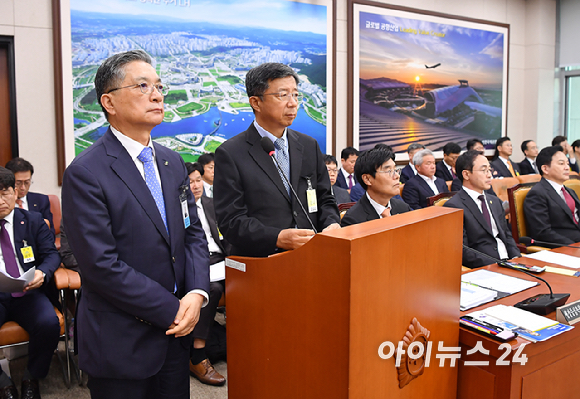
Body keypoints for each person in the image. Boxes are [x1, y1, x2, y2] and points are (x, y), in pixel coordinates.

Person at [61, 50, 210, 399]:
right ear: (109, 102)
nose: (157, 95)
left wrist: (197, 293)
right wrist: (173, 309)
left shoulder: (172, 162)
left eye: (159, 86)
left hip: (175, 336)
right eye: (143, 86)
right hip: (121, 340)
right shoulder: (86, 172)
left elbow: (192, 234)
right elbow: (100, 266)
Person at [213, 62, 340, 258]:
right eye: (283, 95)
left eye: (296, 95)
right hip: (262, 264)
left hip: (312, 257)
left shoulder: (308, 145)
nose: (293, 103)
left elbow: (325, 197)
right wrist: (277, 237)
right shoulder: (231, 153)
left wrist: (332, 224)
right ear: (256, 102)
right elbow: (231, 221)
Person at [0, 167, 61, 399]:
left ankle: (31, 377)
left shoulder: (33, 221)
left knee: (48, 323)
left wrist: (42, 273)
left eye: (4, 193)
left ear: (15, 192)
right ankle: (3, 382)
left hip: (28, 292)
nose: (0, 201)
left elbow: (52, 255)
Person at [185, 162, 227, 387]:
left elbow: (228, 235)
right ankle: (197, 356)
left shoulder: (213, 204)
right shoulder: (178, 209)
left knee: (252, 280)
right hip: (198, 262)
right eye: (190, 182)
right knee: (213, 289)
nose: (196, 185)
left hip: (222, 258)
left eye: (198, 179)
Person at [444, 151, 520, 268]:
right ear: (466, 174)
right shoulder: (454, 206)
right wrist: (495, 264)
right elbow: (461, 249)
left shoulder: (494, 201)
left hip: (510, 263)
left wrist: (516, 258)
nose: (489, 175)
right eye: (484, 170)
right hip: (484, 267)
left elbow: (506, 235)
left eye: (489, 170)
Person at [523, 146, 580, 245]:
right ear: (545, 168)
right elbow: (543, 232)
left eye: (567, 163)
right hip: (565, 245)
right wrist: (572, 246)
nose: (567, 167)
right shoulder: (537, 194)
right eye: (561, 163)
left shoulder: (570, 191)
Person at [341, 148, 411, 227]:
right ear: (367, 179)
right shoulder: (353, 220)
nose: (397, 176)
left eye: (395, 170)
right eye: (389, 171)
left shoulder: (402, 207)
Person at [5, 158, 55, 236]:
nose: (23, 187)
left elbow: (50, 231)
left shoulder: (41, 200)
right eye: (18, 183)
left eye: (27, 182)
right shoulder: (3, 202)